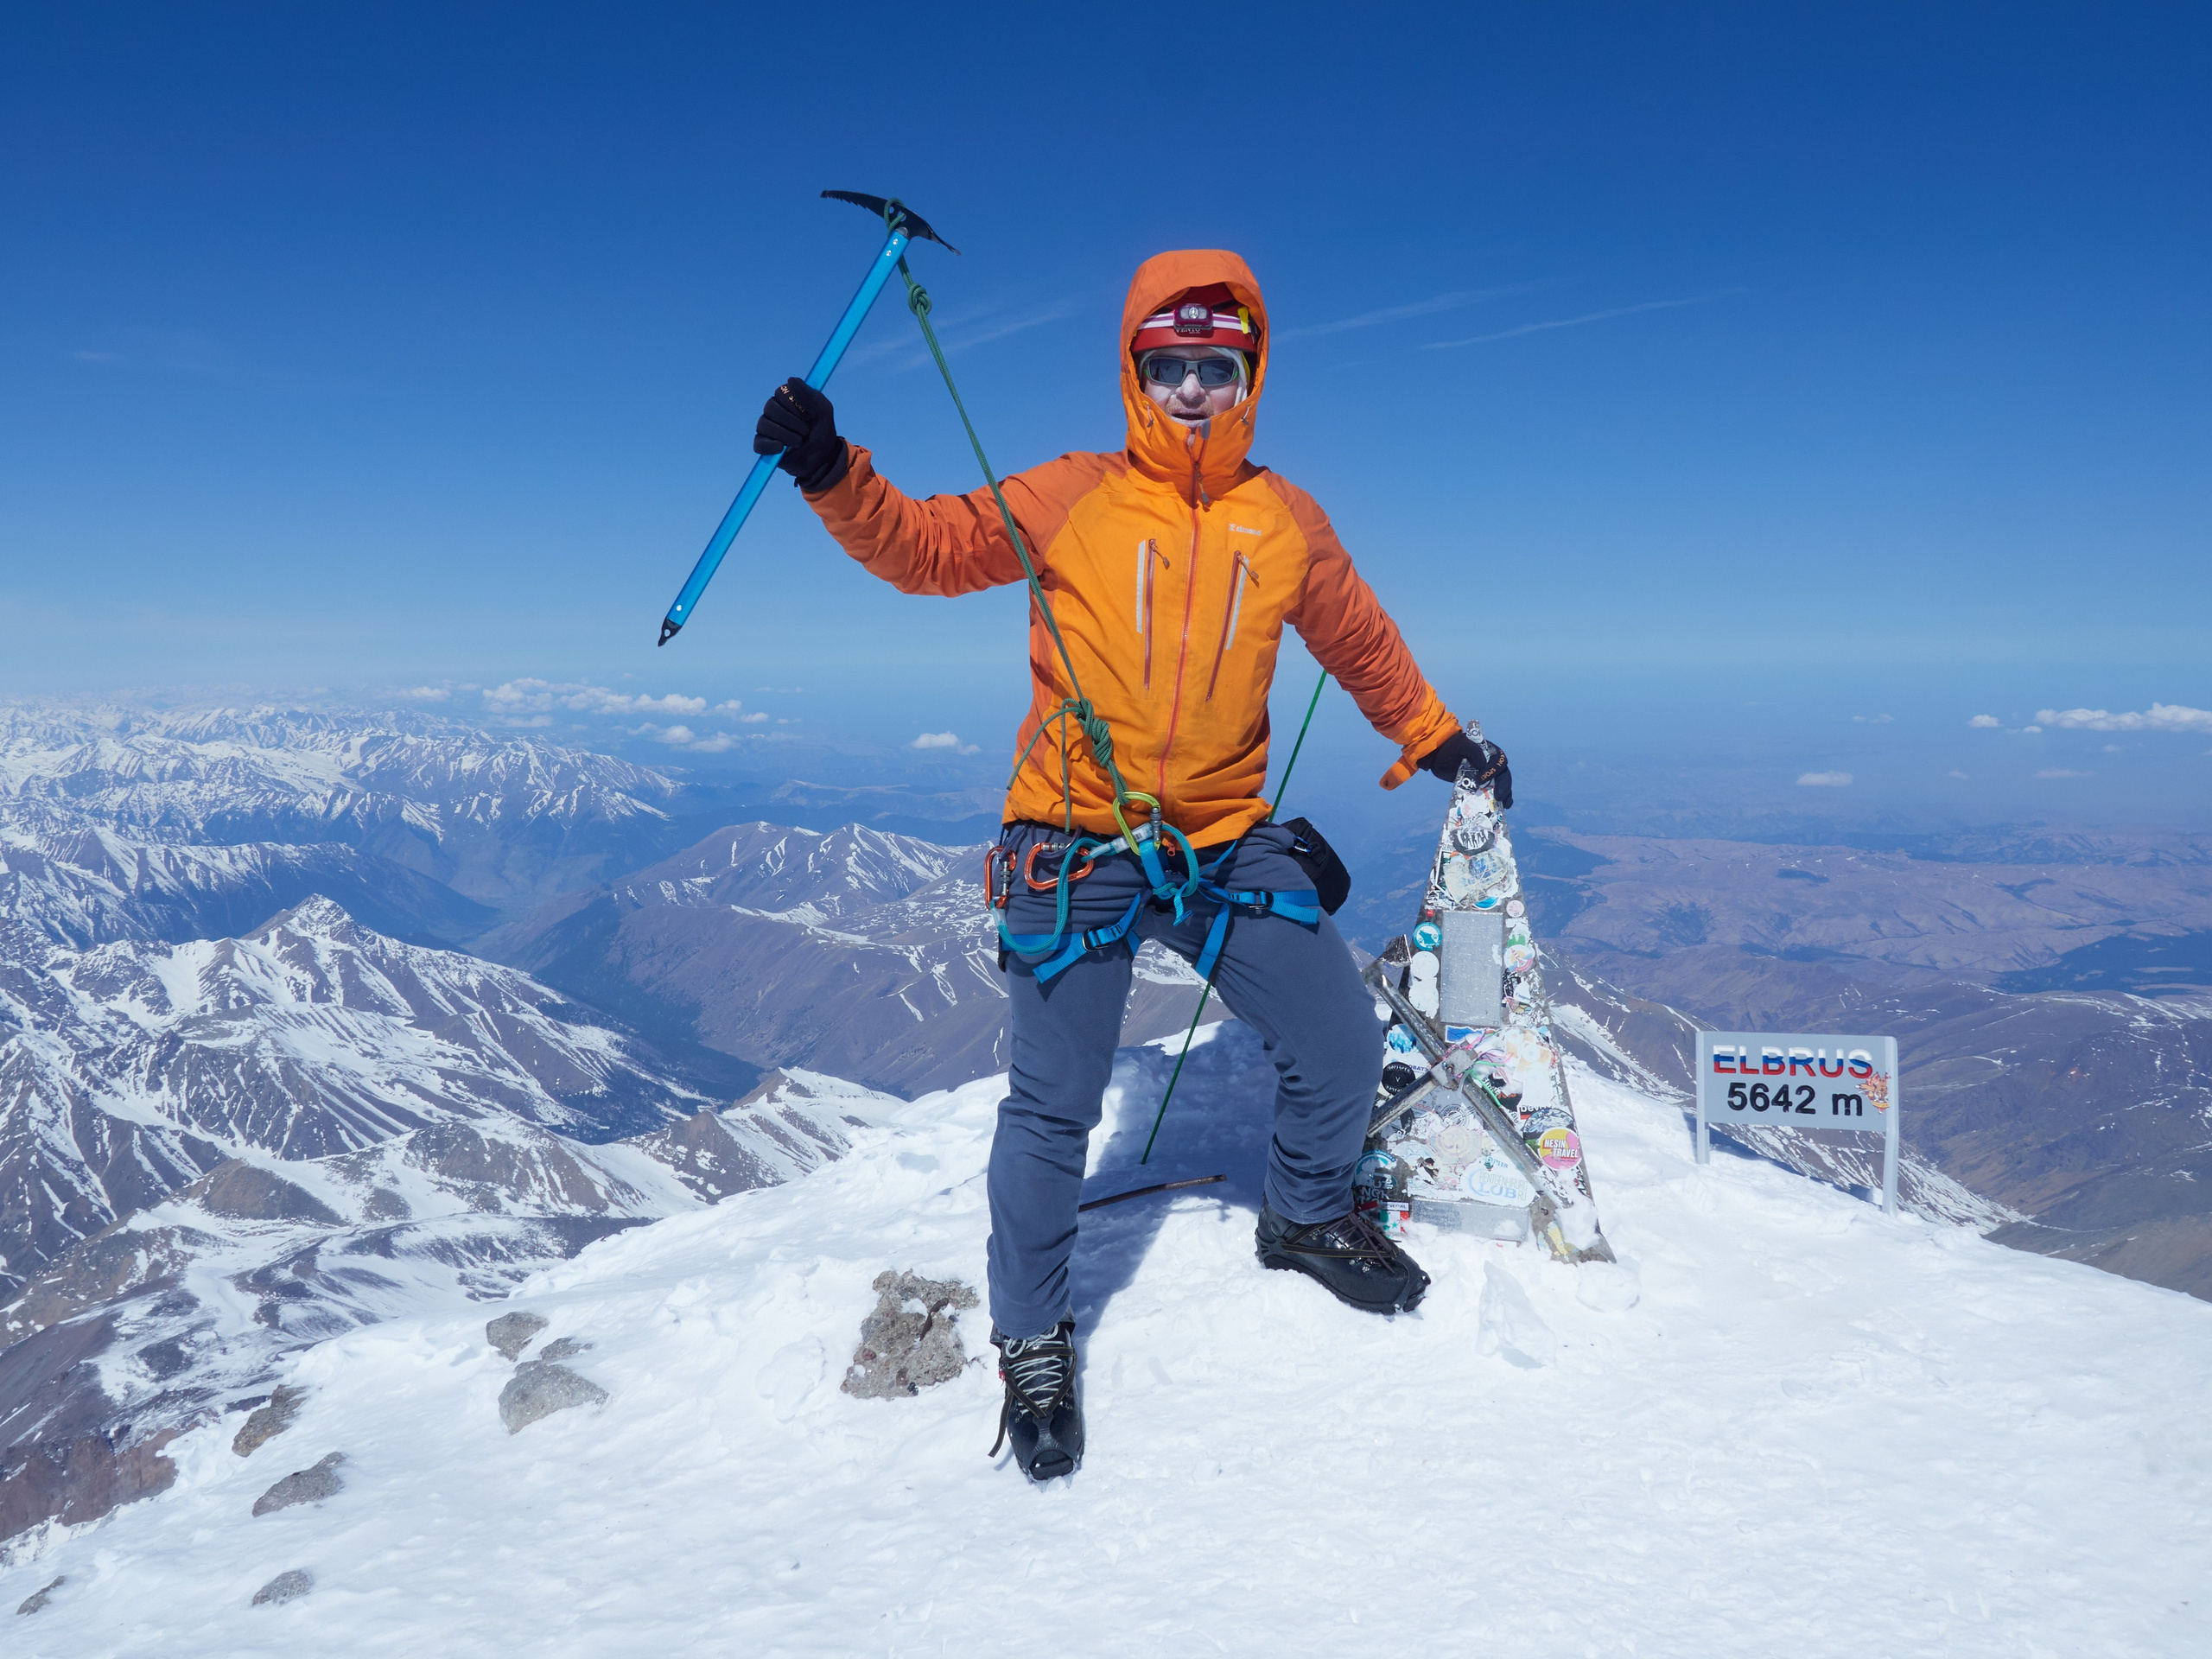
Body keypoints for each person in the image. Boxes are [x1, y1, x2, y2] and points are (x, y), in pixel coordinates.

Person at [753, 250, 1511, 1482]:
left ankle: (1307, 1213)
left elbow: (1358, 638)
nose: (1196, 391)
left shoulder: (1286, 520)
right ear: (1134, 373)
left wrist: (1435, 736)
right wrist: (832, 470)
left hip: (1218, 837)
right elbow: (934, 550)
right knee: (1056, 1103)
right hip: (1075, 837)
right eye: (1172, 368)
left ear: (1252, 373)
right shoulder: (1076, 495)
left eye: (1219, 367)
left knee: (1335, 1043)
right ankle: (1035, 1337)